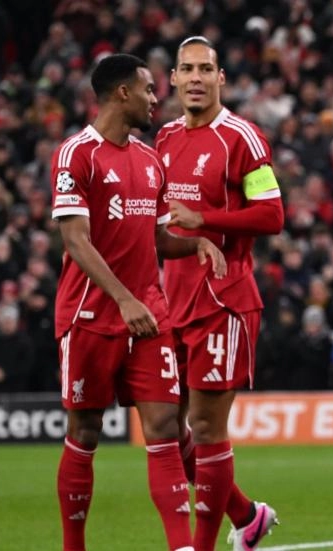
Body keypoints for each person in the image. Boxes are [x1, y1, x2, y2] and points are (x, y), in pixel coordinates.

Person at [51, 53, 226, 551]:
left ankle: (182, 546)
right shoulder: (75, 154)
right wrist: (124, 300)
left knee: (165, 425)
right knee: (85, 430)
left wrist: (195, 242)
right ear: (122, 93)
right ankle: (73, 545)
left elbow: (154, 239)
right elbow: (76, 240)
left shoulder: (150, 160)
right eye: (149, 89)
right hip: (89, 314)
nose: (157, 99)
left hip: (148, 313)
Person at [155, 36, 285, 551]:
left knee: (207, 428)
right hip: (170, 300)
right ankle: (246, 515)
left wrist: (206, 220)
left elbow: (272, 215)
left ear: (220, 78)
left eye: (204, 69)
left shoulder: (242, 138)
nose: (194, 78)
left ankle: (203, 545)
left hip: (223, 301)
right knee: (165, 425)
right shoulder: (162, 139)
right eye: (185, 69)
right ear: (171, 78)